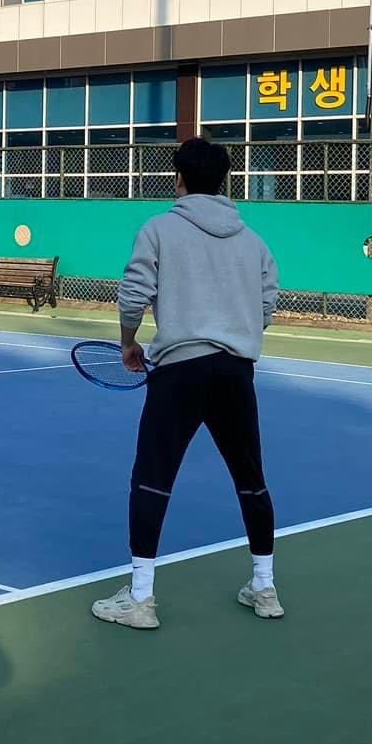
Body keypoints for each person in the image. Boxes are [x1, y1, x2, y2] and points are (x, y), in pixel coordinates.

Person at [93, 137, 281, 630]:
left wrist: (128, 342)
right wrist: (238, 331)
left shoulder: (158, 230)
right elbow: (267, 305)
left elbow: (133, 294)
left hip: (179, 371)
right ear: (224, 180)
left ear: (178, 178)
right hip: (236, 373)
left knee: (152, 477)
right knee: (251, 478)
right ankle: (264, 587)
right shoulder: (253, 242)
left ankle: (141, 598)